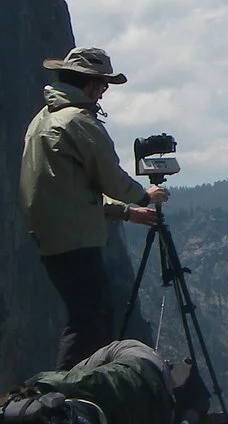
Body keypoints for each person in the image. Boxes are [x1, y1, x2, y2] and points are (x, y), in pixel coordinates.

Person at [20, 46, 166, 370]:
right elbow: (111, 179)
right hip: (76, 240)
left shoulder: (43, 120)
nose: (103, 93)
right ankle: (64, 395)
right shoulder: (78, 121)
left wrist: (127, 213)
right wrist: (144, 197)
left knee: (88, 313)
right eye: (102, 85)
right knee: (89, 318)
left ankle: (78, 390)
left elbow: (69, 195)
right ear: (88, 83)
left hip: (53, 237)